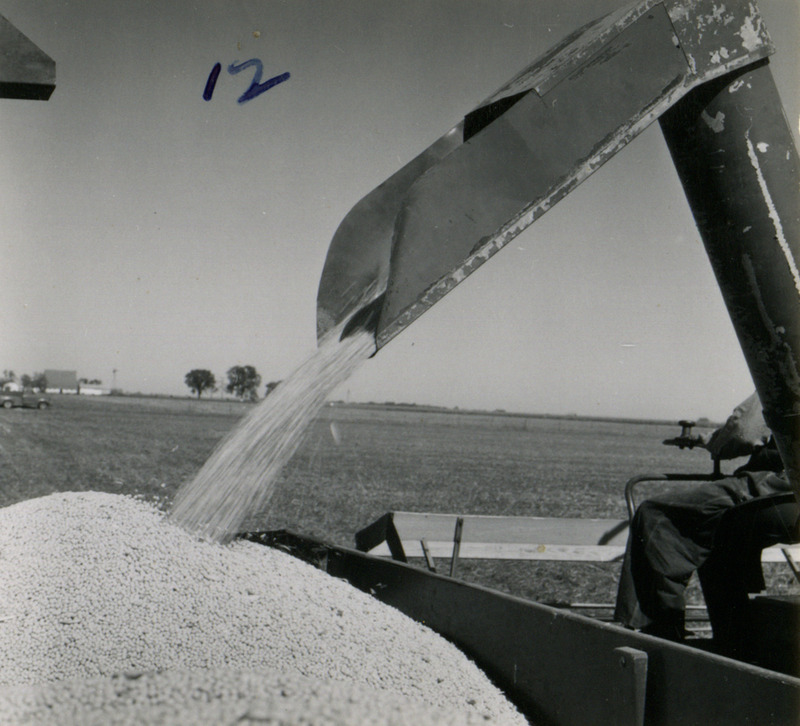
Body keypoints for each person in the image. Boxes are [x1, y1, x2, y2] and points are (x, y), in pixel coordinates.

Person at [614, 393, 795, 641]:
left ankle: (661, 632)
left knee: (656, 514)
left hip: (782, 488)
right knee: (721, 536)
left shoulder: (780, 371)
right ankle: (736, 642)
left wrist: (713, 441)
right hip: (788, 502)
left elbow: (743, 433)